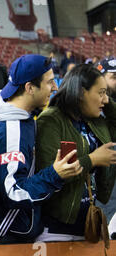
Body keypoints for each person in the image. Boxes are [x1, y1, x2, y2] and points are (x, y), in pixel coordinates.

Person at [0, 54, 83, 244]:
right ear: (29, 88)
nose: (55, 87)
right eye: (50, 82)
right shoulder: (11, 130)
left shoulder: (6, 106)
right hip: (6, 233)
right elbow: (14, 192)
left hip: (5, 225)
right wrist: (55, 174)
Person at [35, 64, 116, 242]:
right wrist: (92, 159)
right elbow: (50, 173)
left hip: (86, 221)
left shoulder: (92, 118)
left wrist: (107, 103)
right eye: (101, 93)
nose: (105, 100)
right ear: (80, 93)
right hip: (58, 226)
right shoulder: (50, 120)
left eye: (106, 93)